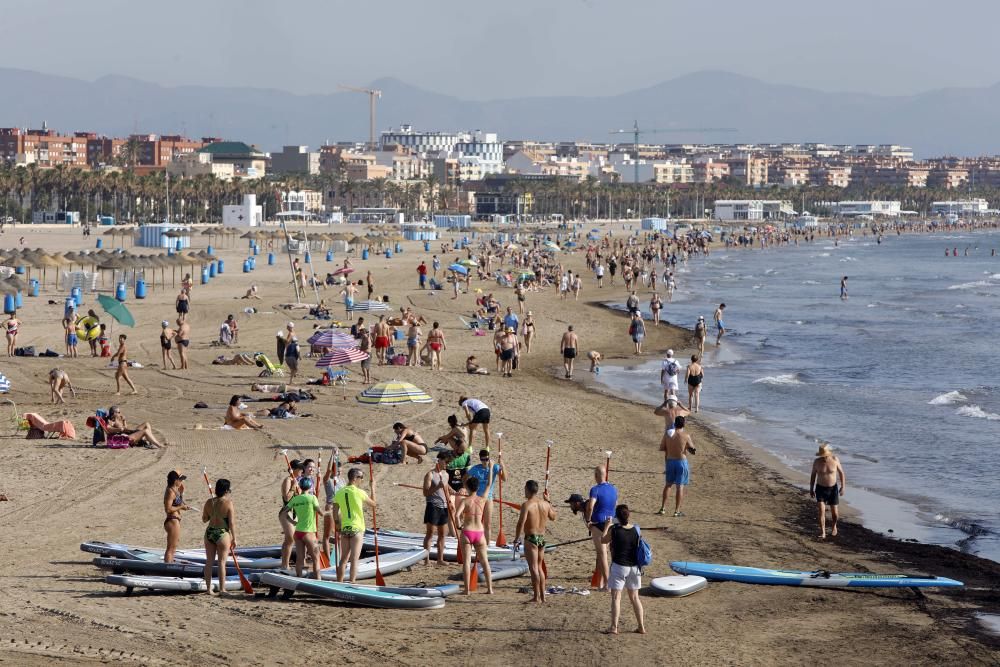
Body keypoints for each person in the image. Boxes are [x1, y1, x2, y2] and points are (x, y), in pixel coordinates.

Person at [601, 504, 646, 635]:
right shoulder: (636, 530)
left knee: (616, 597)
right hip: (634, 568)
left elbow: (603, 540)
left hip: (619, 566)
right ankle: (641, 626)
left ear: (617, 517)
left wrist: (606, 526)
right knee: (635, 598)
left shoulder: (614, 530)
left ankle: (614, 627)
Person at [513, 479, 556, 603]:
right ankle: (543, 596)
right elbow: (553, 517)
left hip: (531, 538)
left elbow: (521, 522)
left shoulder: (526, 505)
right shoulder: (545, 504)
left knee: (533, 568)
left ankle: (536, 597)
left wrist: (516, 538)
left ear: (527, 489)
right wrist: (548, 501)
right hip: (541, 538)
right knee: (539, 567)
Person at [332, 467, 375, 583]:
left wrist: (337, 525)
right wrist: (372, 488)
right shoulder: (360, 492)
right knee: (355, 560)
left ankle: (339, 582)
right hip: (357, 529)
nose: (362, 480)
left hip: (345, 528)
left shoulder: (339, 492)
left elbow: (335, 511)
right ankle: (352, 582)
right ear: (355, 478)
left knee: (343, 559)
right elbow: (374, 504)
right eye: (361, 477)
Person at [455, 476, 494, 595]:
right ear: (477, 487)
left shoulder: (465, 501)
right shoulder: (483, 499)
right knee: (485, 562)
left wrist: (459, 525)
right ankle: (490, 589)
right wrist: (491, 469)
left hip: (467, 531)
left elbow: (457, 515)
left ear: (467, 487)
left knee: (467, 562)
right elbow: (488, 485)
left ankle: (467, 590)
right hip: (479, 533)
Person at [280, 477, 323, 579]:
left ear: (300, 486)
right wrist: (328, 513)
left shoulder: (295, 499)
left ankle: (299, 579)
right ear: (310, 486)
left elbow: (284, 511)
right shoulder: (312, 498)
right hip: (309, 532)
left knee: (300, 558)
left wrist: (292, 521)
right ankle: (319, 581)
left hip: (298, 532)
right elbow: (320, 513)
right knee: (316, 558)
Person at [202, 478, 236, 596]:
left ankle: (208, 589)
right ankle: (222, 589)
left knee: (209, 562)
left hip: (210, 532)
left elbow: (204, 519)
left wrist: (213, 514)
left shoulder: (208, 502)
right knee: (221, 562)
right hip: (222, 533)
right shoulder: (228, 503)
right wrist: (234, 538)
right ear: (226, 490)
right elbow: (231, 523)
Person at [586, 466, 618, 590]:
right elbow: (615, 504)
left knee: (602, 553)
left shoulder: (595, 489)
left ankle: (607, 584)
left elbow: (590, 506)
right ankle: (600, 582)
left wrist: (589, 521)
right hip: (611, 522)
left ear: (597, 475)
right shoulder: (613, 488)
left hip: (599, 523)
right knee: (605, 553)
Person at [658, 415, 695, 516]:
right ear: (683, 424)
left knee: (668, 485)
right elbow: (693, 450)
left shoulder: (668, 435)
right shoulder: (686, 435)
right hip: (681, 462)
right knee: (680, 486)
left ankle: (663, 508)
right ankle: (677, 511)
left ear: (675, 424)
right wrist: (686, 446)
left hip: (670, 461)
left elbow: (662, 447)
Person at [466, 449, 505, 540]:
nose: (484, 462)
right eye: (482, 460)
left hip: (488, 498)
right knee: (476, 522)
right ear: (480, 459)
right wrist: (468, 491)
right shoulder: (476, 468)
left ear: (489, 458)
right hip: (477, 498)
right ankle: (476, 541)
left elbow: (504, 478)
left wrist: (503, 465)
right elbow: (464, 478)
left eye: (486, 459)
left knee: (487, 524)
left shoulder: (494, 467)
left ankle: (486, 545)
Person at [810, 443, 846, 539]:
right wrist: (811, 488)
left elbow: (841, 473)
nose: (824, 457)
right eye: (822, 456)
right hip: (820, 489)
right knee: (821, 511)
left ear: (829, 453)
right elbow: (813, 475)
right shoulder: (817, 462)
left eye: (825, 455)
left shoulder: (835, 460)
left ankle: (834, 526)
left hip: (833, 489)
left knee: (835, 513)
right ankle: (823, 532)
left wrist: (843, 487)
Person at [422, 452, 452, 566]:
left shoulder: (446, 474)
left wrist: (449, 501)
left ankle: (440, 559)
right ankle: (426, 559)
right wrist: (437, 487)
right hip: (432, 505)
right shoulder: (430, 474)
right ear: (439, 461)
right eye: (446, 462)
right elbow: (425, 492)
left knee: (442, 534)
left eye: (448, 462)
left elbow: (446, 489)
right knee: (430, 533)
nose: (447, 465)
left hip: (443, 506)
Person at [279, 459, 304, 570]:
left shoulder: (296, 480)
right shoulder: (288, 480)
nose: (301, 471)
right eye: (299, 469)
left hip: (295, 512)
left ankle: (285, 564)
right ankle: (285, 565)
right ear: (293, 469)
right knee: (290, 539)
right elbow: (286, 497)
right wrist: (294, 486)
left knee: (290, 540)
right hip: (286, 512)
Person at [163, 470, 191, 563]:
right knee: (171, 549)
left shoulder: (175, 490)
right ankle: (167, 570)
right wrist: (182, 507)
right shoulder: (170, 491)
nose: (182, 482)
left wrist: (182, 493)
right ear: (175, 480)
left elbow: (177, 503)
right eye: (181, 479)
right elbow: (168, 509)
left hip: (175, 520)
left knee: (173, 548)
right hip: (172, 521)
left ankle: (169, 567)